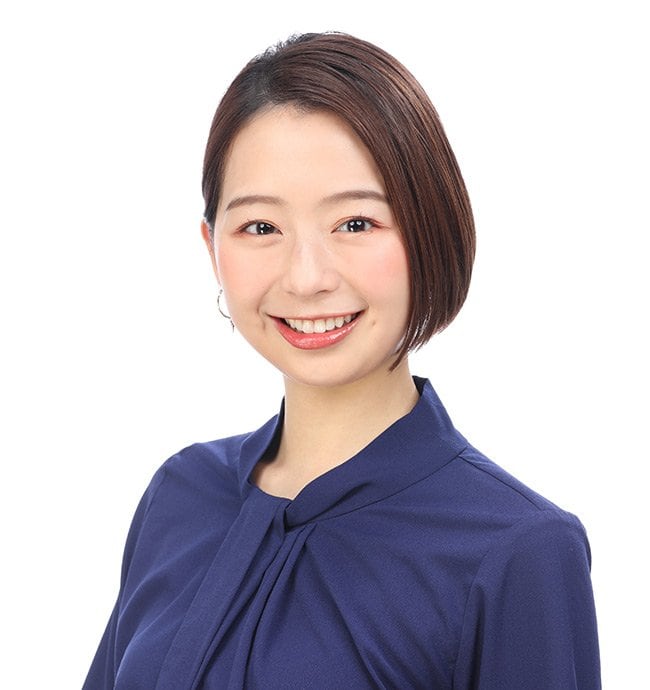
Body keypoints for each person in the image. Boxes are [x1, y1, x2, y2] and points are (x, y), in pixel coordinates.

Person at [83, 32, 600, 689]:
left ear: (432, 229)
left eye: (356, 223)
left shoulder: (518, 550)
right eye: (261, 227)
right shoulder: (180, 493)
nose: (307, 278)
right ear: (211, 245)